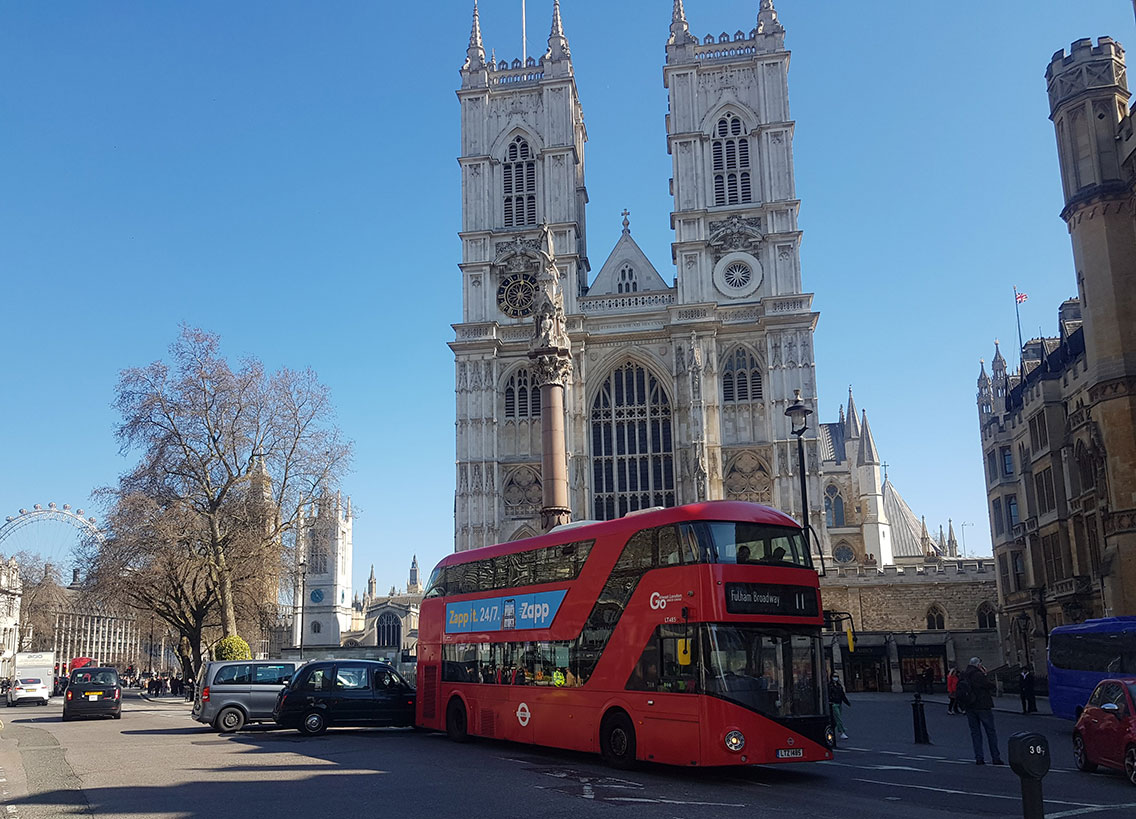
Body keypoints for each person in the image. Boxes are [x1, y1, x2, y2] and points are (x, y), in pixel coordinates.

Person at [962, 657, 1003, 765]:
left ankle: (979, 757)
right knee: (990, 732)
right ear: (978, 665)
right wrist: (985, 674)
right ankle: (995, 757)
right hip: (982, 705)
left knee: (975, 733)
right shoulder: (978, 675)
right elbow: (990, 685)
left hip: (970, 706)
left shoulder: (964, 674)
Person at [828, 673, 851, 740]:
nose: (835, 678)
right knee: (838, 718)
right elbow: (829, 694)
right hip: (834, 703)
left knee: (837, 719)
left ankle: (835, 730)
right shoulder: (830, 686)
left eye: (836, 676)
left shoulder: (839, 686)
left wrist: (847, 702)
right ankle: (841, 732)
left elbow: (842, 695)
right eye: (834, 676)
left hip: (839, 703)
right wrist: (830, 701)